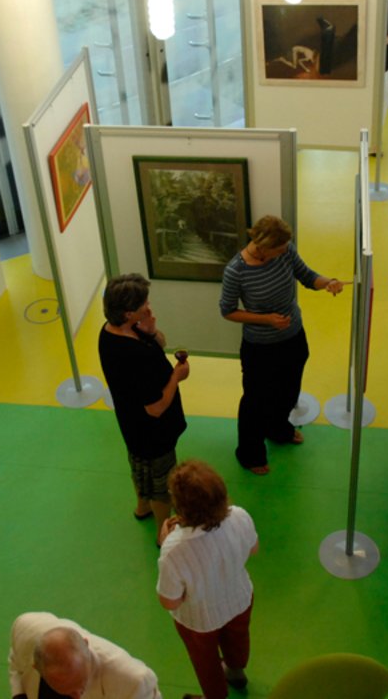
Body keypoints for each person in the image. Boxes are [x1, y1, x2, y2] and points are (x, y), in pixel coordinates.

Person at [219, 215, 343, 475]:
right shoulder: (236, 271)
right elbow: (228, 311)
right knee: (255, 401)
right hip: (260, 347)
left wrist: (328, 282)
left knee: (288, 390)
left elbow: (307, 276)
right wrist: (266, 320)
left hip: (293, 337)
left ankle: (278, 429)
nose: (285, 251)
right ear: (262, 246)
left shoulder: (285, 252)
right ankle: (250, 453)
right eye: (279, 248)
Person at [156, 460, 258, 699]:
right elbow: (253, 549)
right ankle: (236, 670)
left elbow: (169, 602)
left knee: (205, 660)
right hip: (239, 598)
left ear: (180, 507)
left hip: (198, 618)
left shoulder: (174, 548)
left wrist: (164, 541)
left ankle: (215, 695)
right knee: (238, 638)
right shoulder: (240, 516)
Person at [98, 274, 189, 536]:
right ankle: (164, 533)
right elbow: (156, 408)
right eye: (143, 305)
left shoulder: (110, 330)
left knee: (138, 467)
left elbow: (160, 342)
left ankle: (142, 508)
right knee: (162, 484)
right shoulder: (134, 356)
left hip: (131, 425)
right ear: (128, 313)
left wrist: (150, 329)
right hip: (153, 432)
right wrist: (176, 376)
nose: (149, 308)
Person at [8, 612, 160, 699]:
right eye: (65, 689)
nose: (76, 697)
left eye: (81, 685)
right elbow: (16, 661)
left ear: (86, 647)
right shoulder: (25, 631)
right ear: (37, 668)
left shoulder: (133, 681)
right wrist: (19, 695)